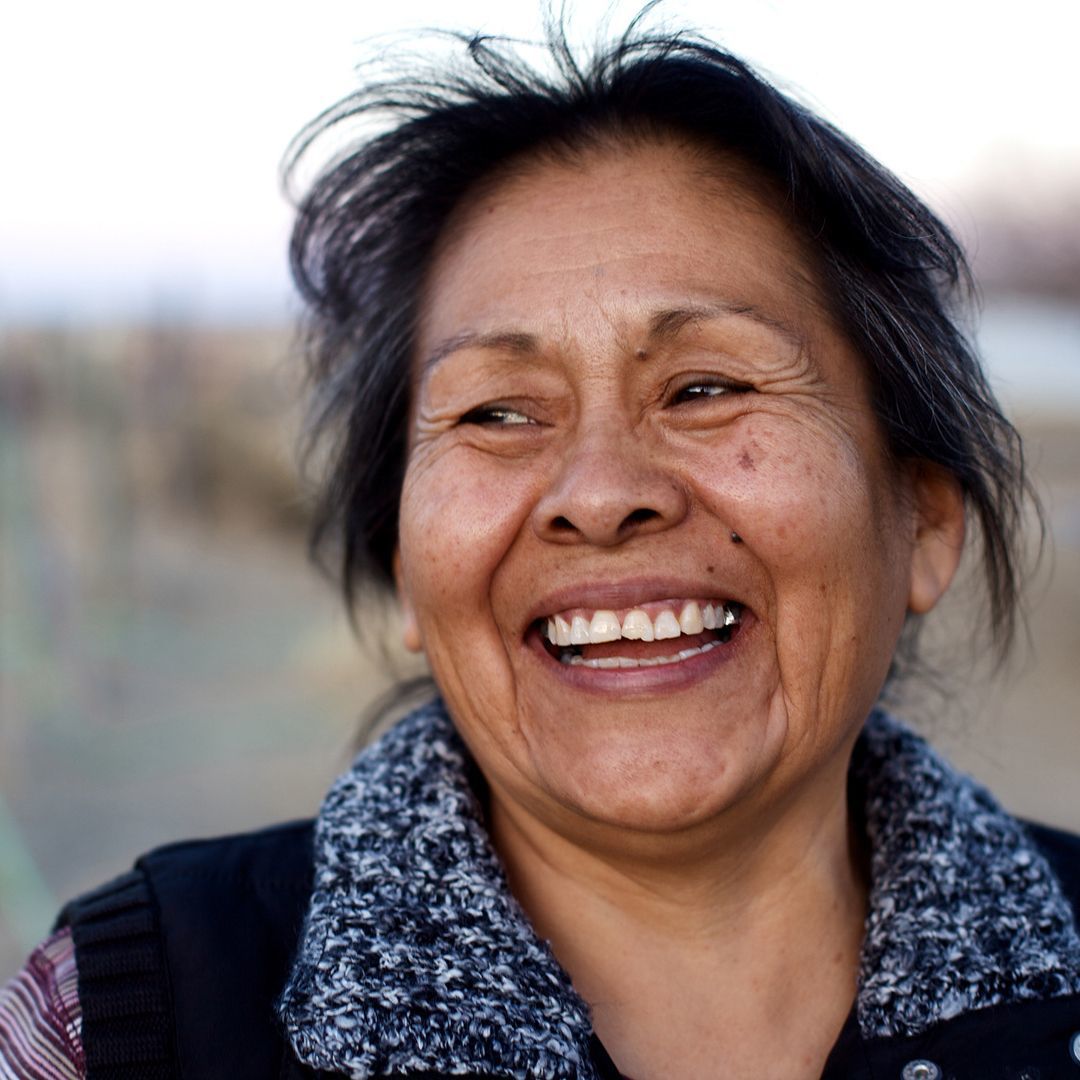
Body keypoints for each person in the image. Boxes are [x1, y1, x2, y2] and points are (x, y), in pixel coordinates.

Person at [3, 14, 1079, 1080]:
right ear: (408, 568)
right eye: (497, 414)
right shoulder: (116, 1024)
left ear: (924, 522)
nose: (601, 495)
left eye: (706, 388)